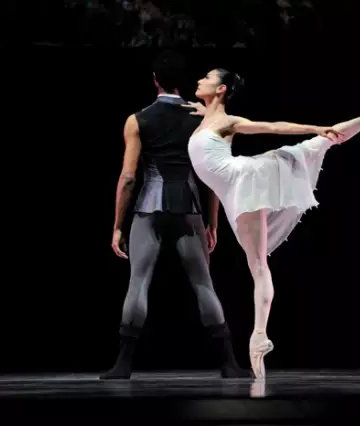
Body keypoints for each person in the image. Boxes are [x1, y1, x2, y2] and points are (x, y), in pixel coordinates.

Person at [184, 69, 360, 378]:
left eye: (207, 77)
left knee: (317, 143)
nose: (200, 79)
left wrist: (315, 127)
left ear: (221, 89)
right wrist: (213, 222)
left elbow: (274, 127)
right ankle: (259, 337)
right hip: (232, 192)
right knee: (258, 264)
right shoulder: (208, 119)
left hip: (246, 181)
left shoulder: (227, 122)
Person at [100, 54, 249, 380]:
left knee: (138, 282)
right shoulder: (202, 120)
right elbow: (212, 176)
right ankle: (229, 364)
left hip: (149, 208)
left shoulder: (137, 120)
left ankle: (123, 365)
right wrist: (212, 222)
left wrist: (117, 226)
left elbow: (128, 177)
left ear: (155, 79)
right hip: (189, 207)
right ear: (183, 83)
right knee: (203, 284)